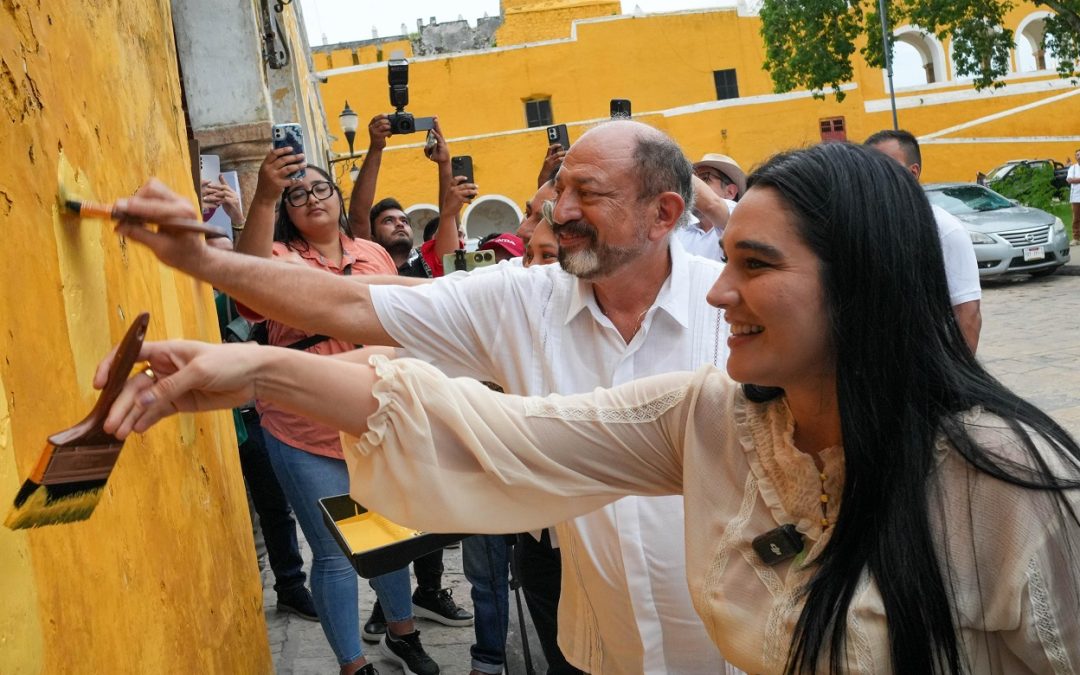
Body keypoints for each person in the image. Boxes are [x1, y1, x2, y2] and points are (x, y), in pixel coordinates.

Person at [103, 142, 1080, 674]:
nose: (719, 295)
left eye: (758, 267)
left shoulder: (1007, 483)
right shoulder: (711, 417)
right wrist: (248, 365)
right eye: (554, 192)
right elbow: (492, 431)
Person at [106, 120, 731, 674]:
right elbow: (353, 307)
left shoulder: (735, 310)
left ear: (664, 213)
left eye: (587, 194)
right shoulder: (521, 298)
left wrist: (257, 370)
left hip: (744, 651)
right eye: (559, 188)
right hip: (605, 645)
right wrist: (202, 264)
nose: (558, 210)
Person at [233, 149, 439, 675]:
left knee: (387, 534)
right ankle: (353, 665)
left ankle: (402, 631)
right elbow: (246, 283)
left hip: (377, 419)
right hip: (304, 426)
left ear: (338, 197)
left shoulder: (372, 251)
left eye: (320, 189)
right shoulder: (278, 256)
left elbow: (407, 321)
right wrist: (263, 195)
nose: (311, 199)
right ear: (287, 209)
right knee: (333, 550)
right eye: (296, 195)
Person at [865, 129, 982, 353]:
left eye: (886, 166)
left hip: (930, 365)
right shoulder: (868, 226)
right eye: (870, 167)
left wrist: (955, 382)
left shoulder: (943, 230)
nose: (876, 175)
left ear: (913, 172)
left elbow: (968, 314)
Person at [1067, 148, 1080, 245]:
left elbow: (1074, 180)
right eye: (1078, 155)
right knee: (1076, 218)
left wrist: (1076, 179)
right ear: (1075, 157)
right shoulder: (1073, 168)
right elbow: (1069, 180)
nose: (1079, 156)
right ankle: (1076, 238)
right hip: (1076, 197)